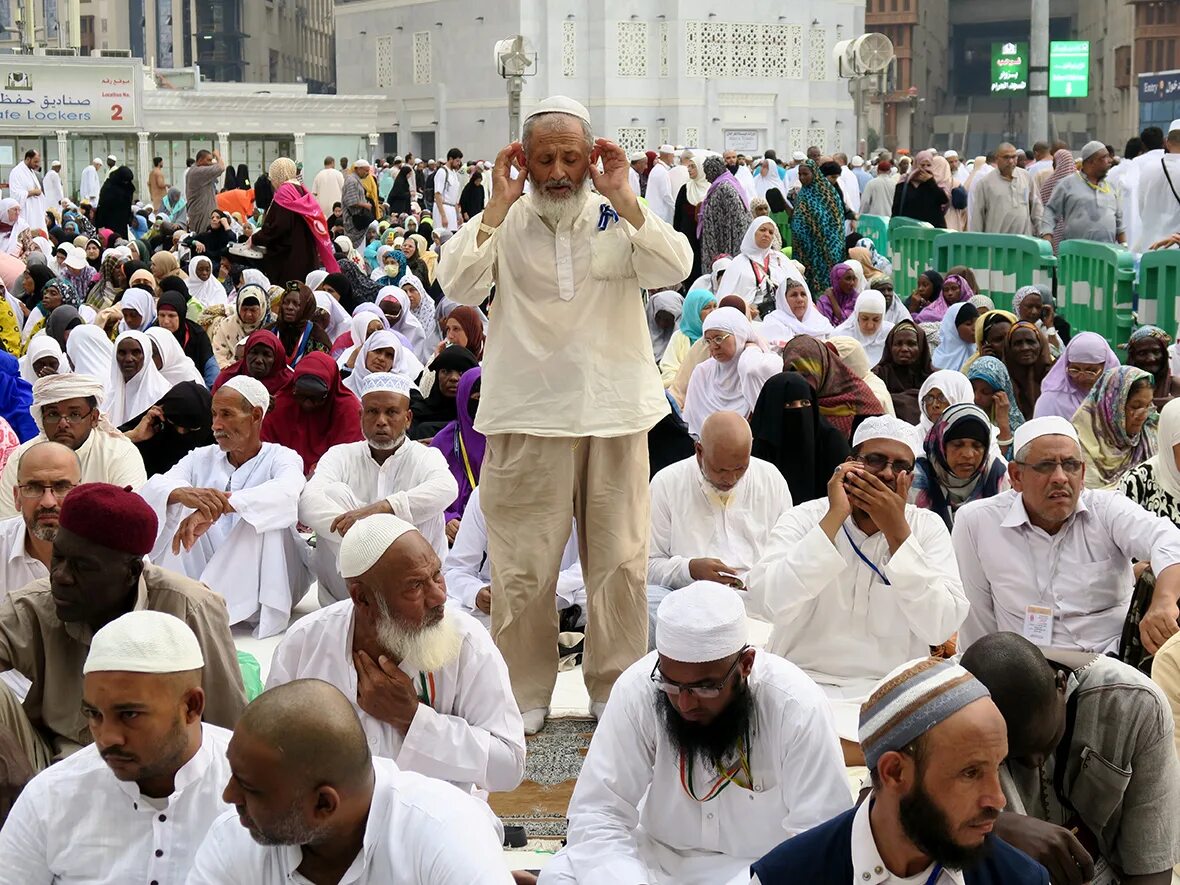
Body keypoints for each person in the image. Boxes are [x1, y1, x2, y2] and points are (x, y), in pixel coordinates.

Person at [437, 97, 692, 734]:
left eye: (570, 158)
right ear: (522, 159)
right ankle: (521, 693)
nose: (557, 171)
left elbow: (674, 267)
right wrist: (493, 207)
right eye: (544, 158)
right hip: (527, 416)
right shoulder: (507, 222)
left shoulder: (618, 215)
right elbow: (459, 285)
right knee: (523, 567)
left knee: (620, 561)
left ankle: (617, 689)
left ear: (591, 158)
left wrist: (627, 197)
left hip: (613, 413)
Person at [540, 582, 850, 885]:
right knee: (560, 876)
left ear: (745, 664)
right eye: (672, 684)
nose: (685, 703)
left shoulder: (796, 707)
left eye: (705, 687)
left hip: (760, 868)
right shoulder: (638, 688)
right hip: (656, 858)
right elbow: (598, 813)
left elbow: (820, 836)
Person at [746, 416, 965, 755]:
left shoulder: (925, 528)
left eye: (900, 466)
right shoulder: (806, 518)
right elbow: (766, 601)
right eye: (875, 460)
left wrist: (897, 534)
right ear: (848, 465)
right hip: (800, 687)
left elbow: (941, 625)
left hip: (889, 694)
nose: (887, 474)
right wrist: (833, 518)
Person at [267, 513, 525, 795]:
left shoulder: (467, 643)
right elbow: (272, 748)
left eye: (437, 574)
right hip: (330, 828)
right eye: (415, 586)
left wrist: (413, 719)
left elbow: (509, 767)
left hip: (439, 823)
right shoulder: (304, 645)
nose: (439, 596)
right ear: (362, 599)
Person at [0, 482, 245, 774]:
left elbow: (226, 727)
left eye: (83, 567)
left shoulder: (189, 608)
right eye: (59, 558)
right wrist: (7, 754)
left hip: (159, 773)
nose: (61, 577)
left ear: (131, 572)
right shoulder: (36, 604)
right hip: (51, 767)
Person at [747, 657, 1048, 885]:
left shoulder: (1020, 879)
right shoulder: (785, 877)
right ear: (894, 772)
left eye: (997, 766)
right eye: (970, 773)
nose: (998, 799)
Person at [185, 680, 516, 884]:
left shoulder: (446, 835)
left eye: (250, 788)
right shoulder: (232, 839)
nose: (229, 796)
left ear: (324, 803)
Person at [0, 610, 233, 884]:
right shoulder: (50, 796)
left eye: (129, 715)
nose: (107, 737)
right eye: (95, 715)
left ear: (191, 707)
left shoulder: (252, 791)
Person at [962, 632, 1180, 884]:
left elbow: (1152, 867)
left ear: (1061, 684)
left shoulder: (1133, 704)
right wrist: (997, 828)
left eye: (1044, 742)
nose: (1034, 762)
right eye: (1012, 757)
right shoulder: (954, 715)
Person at [954, 415, 1180, 657]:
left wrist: (1164, 601)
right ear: (1016, 476)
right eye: (1045, 465)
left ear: (1082, 474)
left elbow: (1168, 539)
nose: (1060, 477)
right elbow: (976, 619)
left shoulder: (1105, 509)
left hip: (1113, 662)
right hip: (1030, 670)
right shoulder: (977, 522)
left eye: (1070, 465)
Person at [136, 377, 311, 638]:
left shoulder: (282, 457)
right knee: (175, 505)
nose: (216, 425)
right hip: (207, 572)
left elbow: (287, 493)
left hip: (268, 580)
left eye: (227, 414)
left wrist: (223, 506)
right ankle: (190, 603)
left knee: (264, 517)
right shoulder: (201, 457)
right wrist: (184, 495)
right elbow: (154, 487)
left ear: (255, 415)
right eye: (214, 414)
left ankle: (214, 608)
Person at [299, 372, 457, 605]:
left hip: (411, 586)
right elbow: (308, 503)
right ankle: (363, 600)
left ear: (408, 418)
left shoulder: (425, 456)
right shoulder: (341, 455)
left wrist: (384, 508)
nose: (381, 420)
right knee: (334, 494)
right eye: (373, 412)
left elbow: (447, 488)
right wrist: (370, 538)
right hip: (348, 592)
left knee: (431, 509)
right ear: (361, 416)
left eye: (392, 412)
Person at [648, 410, 791, 632]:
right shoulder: (666, 484)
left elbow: (789, 554)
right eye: (721, 470)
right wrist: (690, 569)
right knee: (646, 604)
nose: (730, 479)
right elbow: (647, 567)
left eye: (740, 468)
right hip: (692, 608)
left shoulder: (770, 478)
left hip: (760, 606)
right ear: (699, 452)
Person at [0, 374, 146, 518]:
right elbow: (7, 524)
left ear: (94, 418)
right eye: (53, 414)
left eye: (74, 414)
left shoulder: (120, 454)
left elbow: (128, 519)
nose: (63, 424)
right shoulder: (22, 458)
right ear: (41, 418)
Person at [749, 372, 851, 504]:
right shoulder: (760, 451)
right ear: (772, 411)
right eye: (789, 405)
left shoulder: (831, 443)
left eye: (805, 403)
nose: (799, 412)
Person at [682, 307, 781, 436]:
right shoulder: (702, 373)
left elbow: (752, 370)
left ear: (739, 335)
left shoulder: (759, 367)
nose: (713, 347)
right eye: (708, 341)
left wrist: (750, 353)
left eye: (719, 338)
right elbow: (692, 427)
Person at [912, 402, 1010, 530]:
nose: (968, 455)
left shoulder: (996, 475)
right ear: (942, 446)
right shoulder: (917, 478)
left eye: (977, 446)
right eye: (958, 445)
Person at [261, 351, 362, 476]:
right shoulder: (282, 404)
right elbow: (262, 448)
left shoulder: (348, 411)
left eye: (316, 398)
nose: (307, 404)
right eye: (301, 396)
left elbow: (348, 459)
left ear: (329, 392)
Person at [0, 441, 80, 597]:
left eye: (61, 486)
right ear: (17, 497)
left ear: (80, 493)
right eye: (34, 487)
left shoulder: (106, 552)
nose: (48, 502)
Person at [251, 157, 339, 286]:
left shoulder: (284, 191)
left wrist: (256, 238)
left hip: (290, 257)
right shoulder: (300, 188)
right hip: (307, 252)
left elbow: (278, 227)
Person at [781, 335, 884, 438]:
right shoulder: (783, 401)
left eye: (806, 374)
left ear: (824, 369)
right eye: (792, 373)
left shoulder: (860, 400)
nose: (800, 381)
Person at [1073, 364, 1158, 489]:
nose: (1143, 415)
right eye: (1135, 406)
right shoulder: (1081, 439)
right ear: (1112, 407)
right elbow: (1088, 496)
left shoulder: (1149, 433)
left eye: (1148, 406)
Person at [428, 366, 483, 531]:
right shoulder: (444, 442)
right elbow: (425, 493)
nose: (483, 405)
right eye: (478, 398)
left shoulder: (509, 442)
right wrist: (445, 519)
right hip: (455, 537)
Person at [122, 381, 214, 478]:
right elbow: (106, 451)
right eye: (173, 423)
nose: (180, 432)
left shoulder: (220, 455)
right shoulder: (151, 429)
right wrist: (134, 436)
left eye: (190, 429)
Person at [1040, 141, 1124, 248]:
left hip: (1107, 256)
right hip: (1076, 256)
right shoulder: (1067, 184)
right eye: (1105, 157)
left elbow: (1119, 222)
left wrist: (1124, 246)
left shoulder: (1110, 186)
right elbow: (1050, 211)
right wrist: (1047, 238)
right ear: (1091, 162)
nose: (1110, 160)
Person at [790, 159, 847, 295]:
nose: (802, 178)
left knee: (827, 286)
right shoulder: (802, 194)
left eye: (805, 174)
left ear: (814, 174)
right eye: (800, 174)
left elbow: (835, 221)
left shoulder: (828, 194)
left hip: (826, 249)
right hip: (806, 250)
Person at [714, 218, 789, 314]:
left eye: (771, 232)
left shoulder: (779, 260)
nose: (766, 234)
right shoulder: (738, 263)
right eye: (762, 230)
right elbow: (724, 297)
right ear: (752, 232)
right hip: (745, 319)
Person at [969, 142, 1044, 235]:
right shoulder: (985, 183)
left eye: (1013, 157)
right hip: (997, 244)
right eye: (1006, 157)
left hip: (1024, 242)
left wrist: (1042, 232)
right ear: (997, 159)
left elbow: (1036, 207)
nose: (1011, 161)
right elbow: (978, 217)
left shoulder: (1026, 177)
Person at [409, 345, 480, 440]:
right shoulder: (417, 414)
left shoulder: (480, 419)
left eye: (461, 373)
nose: (453, 378)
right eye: (445, 371)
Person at [872, 319, 933, 423]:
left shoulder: (933, 378)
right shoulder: (878, 375)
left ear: (921, 347)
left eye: (911, 344)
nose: (904, 348)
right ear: (890, 347)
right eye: (898, 344)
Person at [698, 155, 751, 270]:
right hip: (724, 240)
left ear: (714, 171)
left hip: (727, 243)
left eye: (707, 173)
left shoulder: (724, 187)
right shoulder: (726, 183)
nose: (706, 177)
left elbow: (733, 222)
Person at [658, 289, 716, 388]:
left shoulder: (718, 336)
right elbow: (669, 368)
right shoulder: (679, 337)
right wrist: (689, 382)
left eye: (715, 306)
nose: (713, 311)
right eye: (707, 307)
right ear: (693, 311)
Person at [265, 283, 332, 365]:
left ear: (306, 307)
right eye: (286, 302)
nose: (289, 307)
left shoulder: (318, 338)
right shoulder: (268, 332)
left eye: (296, 304)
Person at [966, 356, 1022, 451]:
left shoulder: (1015, 424)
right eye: (973, 389)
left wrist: (1003, 422)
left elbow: (1005, 458)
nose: (976, 397)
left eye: (985, 392)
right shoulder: (960, 415)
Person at [209, 283, 269, 369]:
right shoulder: (226, 326)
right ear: (238, 307)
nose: (248, 314)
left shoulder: (269, 328)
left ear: (262, 308)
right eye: (244, 309)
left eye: (253, 310)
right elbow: (217, 356)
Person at [1003, 320, 1052, 419]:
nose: (1025, 348)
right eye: (1018, 343)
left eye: (1031, 342)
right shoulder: (1002, 379)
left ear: (1040, 344)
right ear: (1009, 348)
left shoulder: (1054, 377)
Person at [832, 290, 893, 367]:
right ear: (857, 316)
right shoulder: (839, 336)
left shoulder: (890, 334)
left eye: (876, 320)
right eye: (864, 319)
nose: (870, 325)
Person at [1127, 324, 1180, 407]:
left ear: (1165, 355)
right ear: (1132, 357)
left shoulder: (1176, 386)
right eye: (1142, 353)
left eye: (1156, 352)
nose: (1151, 359)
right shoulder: (1122, 388)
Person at [892, 150, 947, 227]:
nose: (925, 169)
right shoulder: (904, 183)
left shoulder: (935, 183)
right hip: (908, 231)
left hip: (931, 231)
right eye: (922, 165)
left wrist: (930, 181)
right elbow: (896, 208)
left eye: (928, 165)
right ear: (916, 165)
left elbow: (944, 200)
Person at [931, 302, 980, 372]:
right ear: (953, 328)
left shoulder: (980, 353)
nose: (975, 328)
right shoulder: (937, 361)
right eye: (968, 324)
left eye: (977, 322)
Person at [185, 149, 225, 234]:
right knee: (203, 236)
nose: (210, 163)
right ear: (200, 160)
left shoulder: (194, 170)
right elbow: (221, 168)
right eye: (208, 160)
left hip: (199, 211)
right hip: (202, 212)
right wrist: (217, 155)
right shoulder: (198, 172)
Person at [8, 150, 47, 231]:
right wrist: (33, 192)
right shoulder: (16, 172)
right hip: (26, 213)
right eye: (35, 161)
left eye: (38, 162)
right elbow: (15, 195)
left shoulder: (32, 171)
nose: (37, 164)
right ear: (28, 159)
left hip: (36, 212)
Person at [342, 159, 376, 247]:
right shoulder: (351, 181)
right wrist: (366, 205)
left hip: (358, 220)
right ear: (358, 169)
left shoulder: (356, 180)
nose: (367, 173)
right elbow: (351, 201)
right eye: (366, 171)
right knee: (352, 247)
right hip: (353, 220)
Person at [93, 167, 135, 237]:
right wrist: (100, 224)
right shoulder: (109, 187)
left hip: (122, 222)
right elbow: (102, 207)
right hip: (109, 221)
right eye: (124, 180)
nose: (126, 183)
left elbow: (128, 205)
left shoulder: (128, 187)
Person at [433, 148, 464, 232]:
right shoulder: (442, 172)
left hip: (452, 209)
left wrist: (458, 215)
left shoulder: (454, 173)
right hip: (443, 208)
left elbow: (454, 198)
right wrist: (443, 216)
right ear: (450, 159)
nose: (459, 163)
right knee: (442, 235)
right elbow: (438, 194)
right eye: (457, 161)